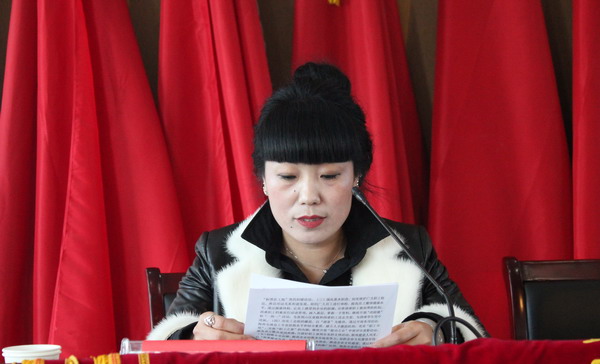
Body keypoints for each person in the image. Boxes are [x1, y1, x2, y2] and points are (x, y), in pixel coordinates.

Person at [147, 62, 487, 346]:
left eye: (329, 176)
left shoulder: (410, 248)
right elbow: (158, 349)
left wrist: (434, 329)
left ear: (356, 175)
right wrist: (193, 336)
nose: (309, 196)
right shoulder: (217, 252)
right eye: (288, 177)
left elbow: (475, 336)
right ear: (263, 179)